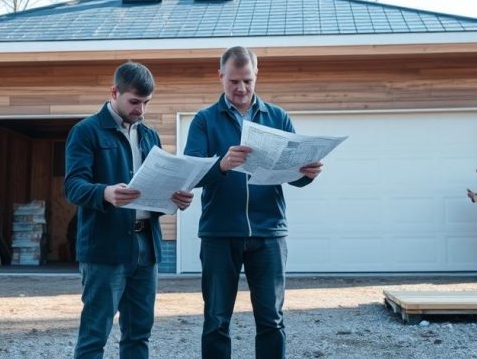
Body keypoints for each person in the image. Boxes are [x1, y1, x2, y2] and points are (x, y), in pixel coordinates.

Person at [184, 46, 324, 359]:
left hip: (269, 234)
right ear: (220, 76)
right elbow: (190, 173)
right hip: (220, 234)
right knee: (216, 320)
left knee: (272, 320)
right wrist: (221, 164)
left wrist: (308, 173)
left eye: (247, 80)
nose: (241, 88)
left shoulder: (277, 117)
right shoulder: (204, 120)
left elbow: (295, 178)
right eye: (234, 80)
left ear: (256, 75)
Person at [64, 61, 195, 359]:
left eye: (147, 103)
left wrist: (174, 200)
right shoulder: (85, 132)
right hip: (104, 248)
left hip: (146, 249)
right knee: (94, 336)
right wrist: (106, 193)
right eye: (135, 102)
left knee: (138, 335)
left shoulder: (150, 136)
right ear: (114, 92)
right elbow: (73, 186)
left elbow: (151, 193)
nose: (141, 110)